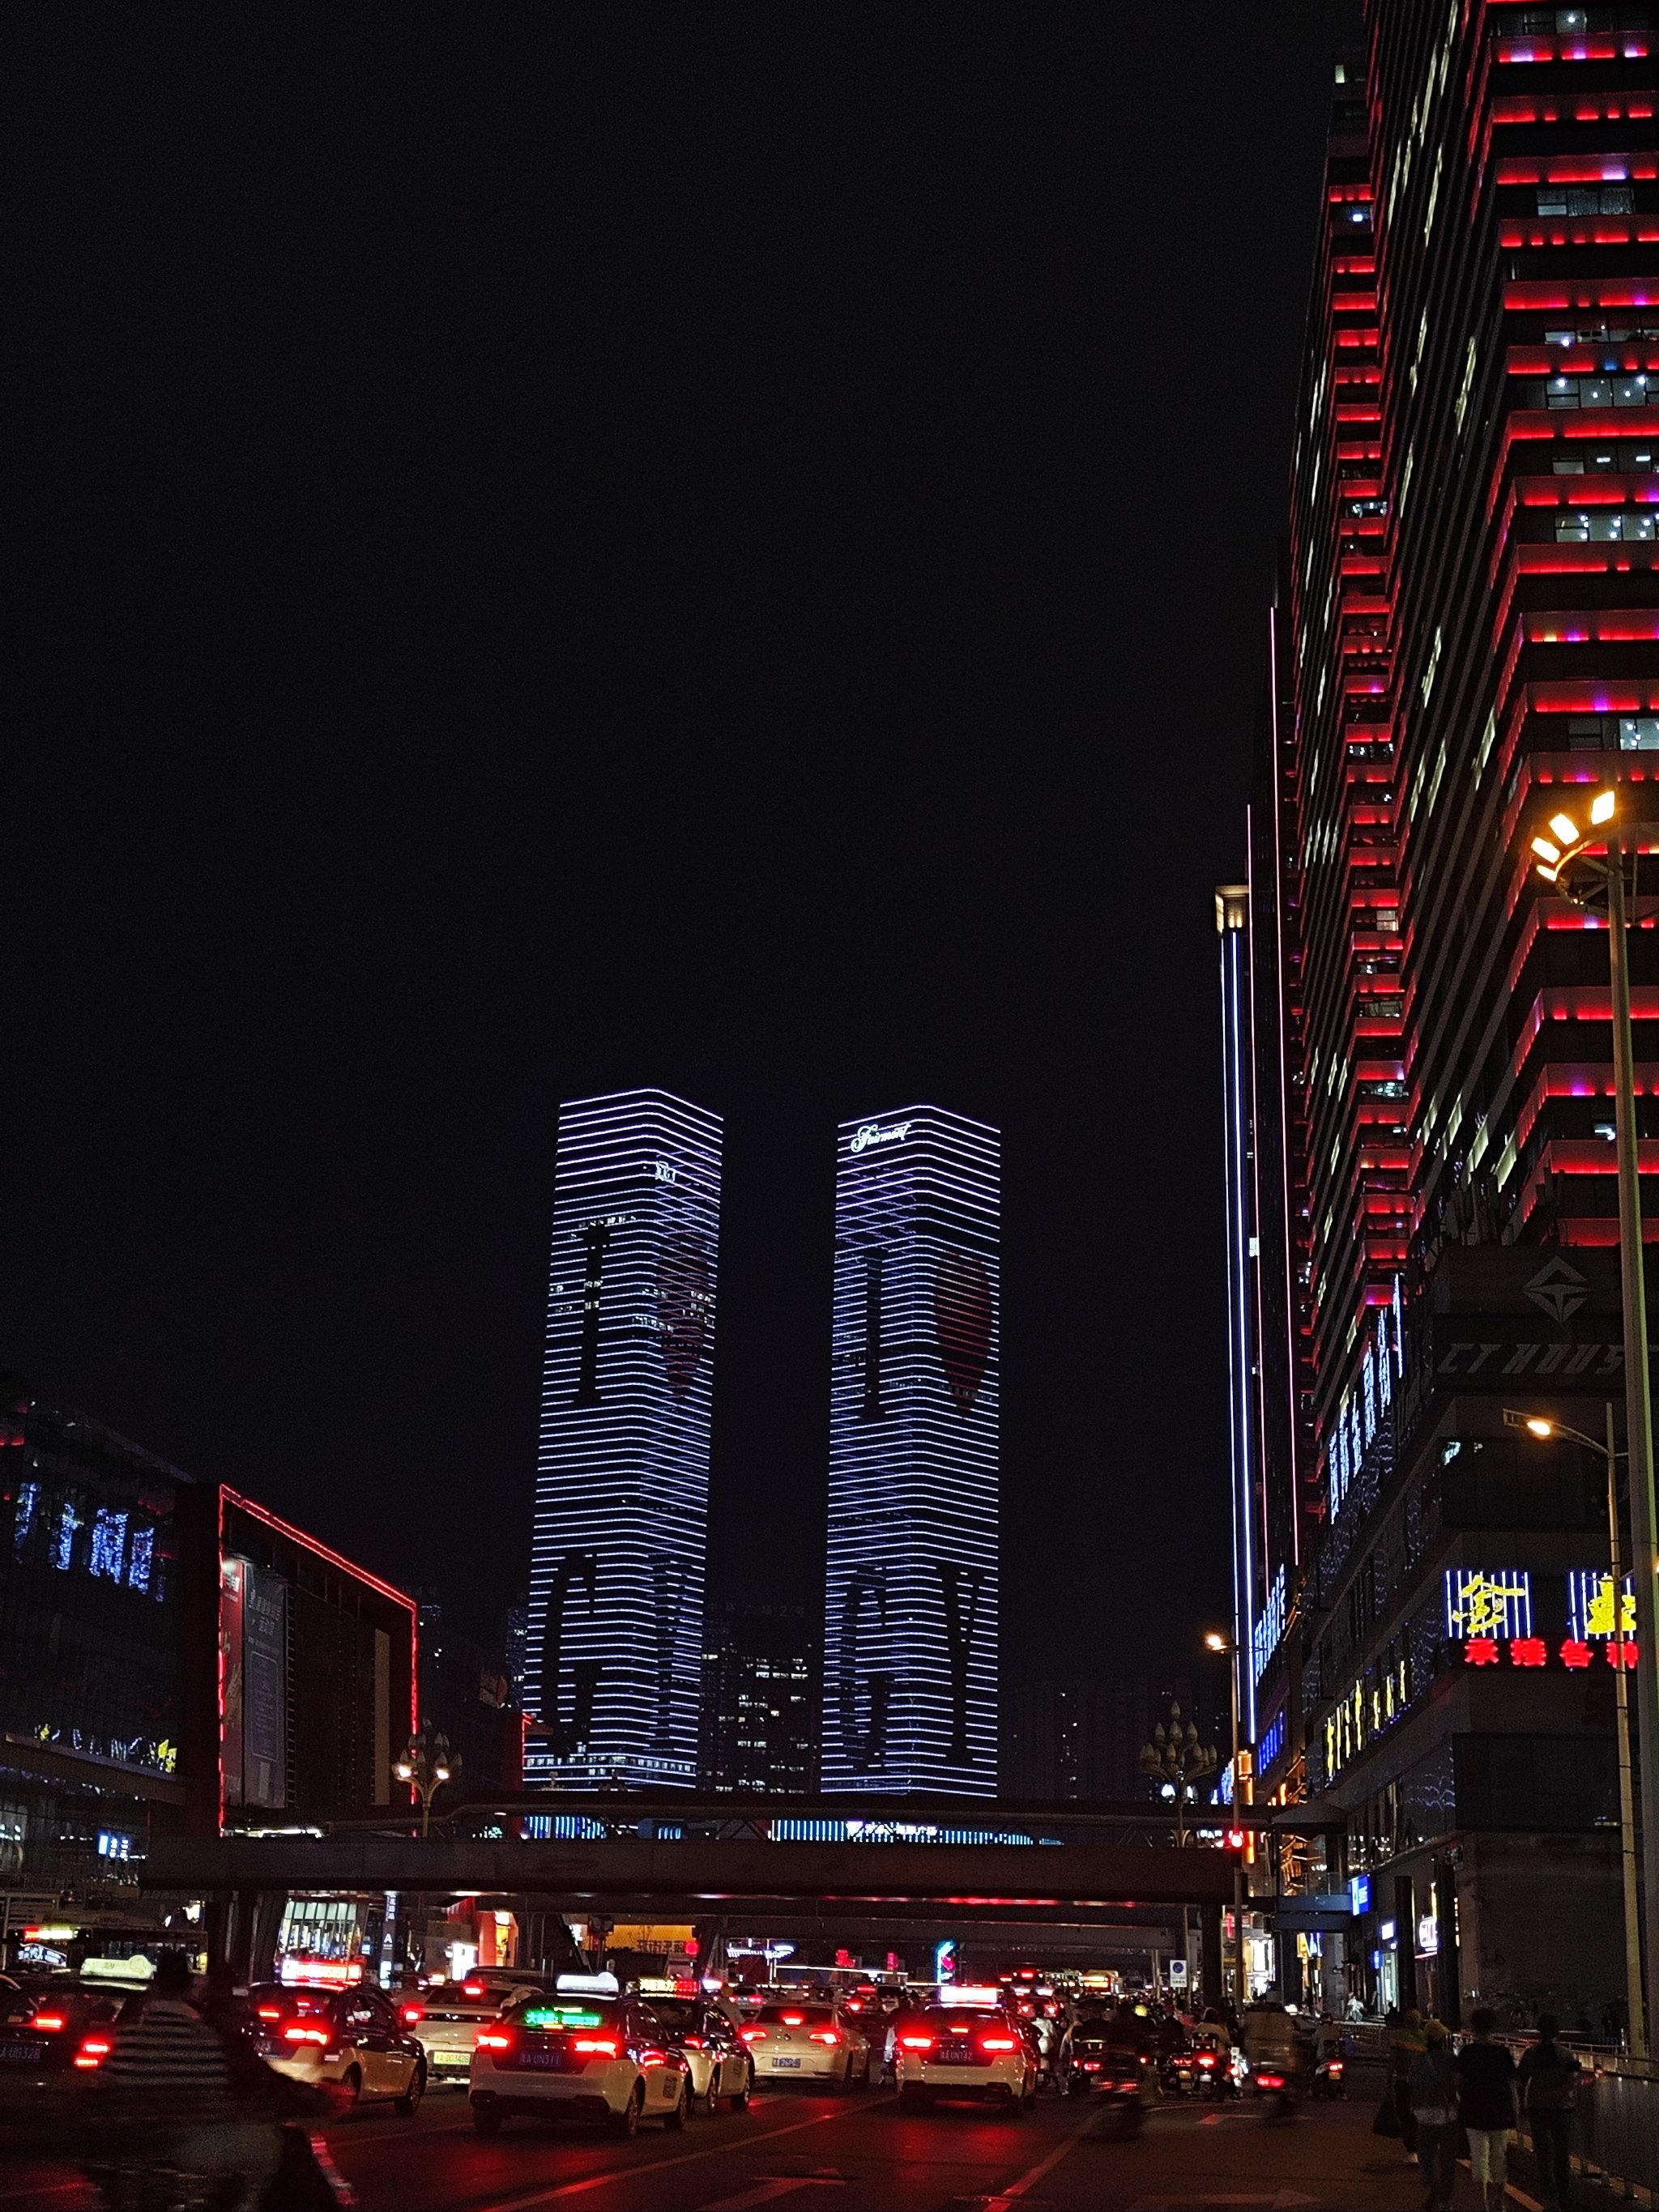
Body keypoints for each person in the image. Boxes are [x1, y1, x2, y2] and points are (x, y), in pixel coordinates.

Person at [93, 1951, 280, 2210]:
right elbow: (216, 2097)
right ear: (188, 1989)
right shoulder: (206, 2040)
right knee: (267, 2144)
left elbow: (107, 2087)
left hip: (134, 2147)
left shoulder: (128, 2037)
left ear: (155, 1985)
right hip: (192, 2149)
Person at [1456, 2007, 1520, 2212]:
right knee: (1499, 2158)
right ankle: (1500, 2202)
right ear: (1493, 2027)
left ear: (1474, 2027)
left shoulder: (1467, 2053)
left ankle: (1482, 2205)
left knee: (1479, 2159)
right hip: (1500, 2111)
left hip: (1473, 2111)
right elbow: (1512, 2085)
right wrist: (1516, 2111)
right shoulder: (1502, 2053)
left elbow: (1458, 2081)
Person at [1517, 2014, 1582, 2212]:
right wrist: (1558, 2094)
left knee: (1544, 2154)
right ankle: (1564, 2196)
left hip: (1537, 2109)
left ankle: (1550, 2197)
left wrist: (1523, 2104)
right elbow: (1574, 2079)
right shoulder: (1567, 2054)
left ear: (1540, 2031)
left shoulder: (1531, 2054)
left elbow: (1521, 2079)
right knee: (1562, 2154)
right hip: (1563, 2109)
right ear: (1558, 2032)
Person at [1409, 2020, 1459, 2212]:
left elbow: (1412, 2083)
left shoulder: (1418, 2060)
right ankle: (1446, 2199)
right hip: (1447, 2114)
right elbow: (1456, 2084)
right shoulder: (1450, 2060)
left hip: (1424, 2113)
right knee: (1447, 2159)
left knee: (1426, 2156)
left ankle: (1432, 2187)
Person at [1391, 2007, 1428, 2159]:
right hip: (1422, 2083)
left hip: (1403, 2080)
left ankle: (1412, 2149)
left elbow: (1392, 2060)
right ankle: (1422, 2146)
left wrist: (1387, 2082)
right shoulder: (1426, 2038)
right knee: (1420, 2115)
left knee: (1405, 2114)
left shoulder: (1398, 2037)